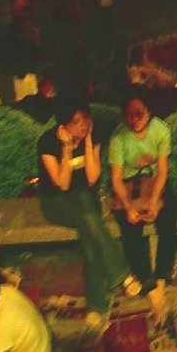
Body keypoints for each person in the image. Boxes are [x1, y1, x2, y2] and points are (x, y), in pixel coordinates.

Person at [37, 101, 141, 326]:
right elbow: (62, 184)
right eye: (76, 122)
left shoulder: (93, 135)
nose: (83, 125)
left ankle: (97, 305)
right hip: (56, 202)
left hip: (85, 198)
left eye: (85, 118)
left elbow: (93, 179)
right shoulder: (47, 142)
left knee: (89, 230)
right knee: (89, 220)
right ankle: (120, 274)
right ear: (63, 125)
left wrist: (87, 142)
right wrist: (66, 150)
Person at [108, 95, 176, 318]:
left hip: (154, 182)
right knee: (131, 229)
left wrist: (155, 201)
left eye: (140, 113)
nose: (135, 119)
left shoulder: (160, 130)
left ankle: (162, 276)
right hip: (128, 187)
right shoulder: (119, 137)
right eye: (130, 114)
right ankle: (149, 284)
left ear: (149, 111)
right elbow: (116, 179)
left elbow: (163, 171)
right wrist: (128, 207)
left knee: (168, 222)